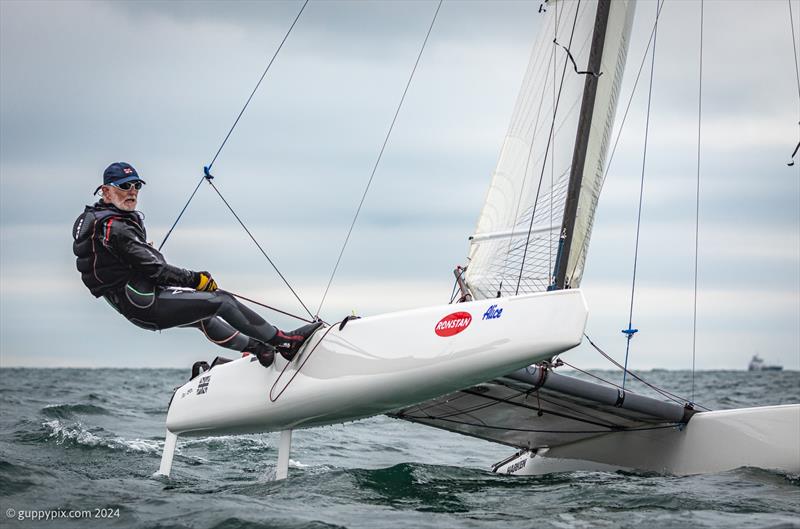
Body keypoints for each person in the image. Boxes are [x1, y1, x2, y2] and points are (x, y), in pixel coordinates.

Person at [72, 162, 321, 368]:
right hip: (144, 302)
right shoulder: (115, 227)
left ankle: (260, 349)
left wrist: (138, 253)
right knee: (221, 301)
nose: (132, 191)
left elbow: (115, 262)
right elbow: (158, 271)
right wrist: (197, 279)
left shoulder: (101, 221)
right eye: (124, 186)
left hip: (135, 301)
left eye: (137, 185)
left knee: (204, 317)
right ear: (105, 192)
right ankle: (285, 342)